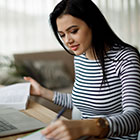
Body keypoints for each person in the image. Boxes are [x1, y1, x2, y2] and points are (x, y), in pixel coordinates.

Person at [24, 0, 140, 139]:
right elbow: (82, 100)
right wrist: (42, 92)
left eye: (73, 31)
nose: (67, 40)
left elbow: (135, 117)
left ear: (93, 24)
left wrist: (88, 126)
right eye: (62, 35)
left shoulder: (125, 58)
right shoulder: (80, 57)